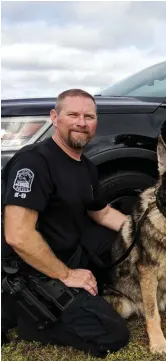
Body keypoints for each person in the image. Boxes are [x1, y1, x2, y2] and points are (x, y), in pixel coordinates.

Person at [1, 89, 130, 358]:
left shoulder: (86, 167)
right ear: (54, 118)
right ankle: (27, 320)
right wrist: (67, 275)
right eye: (73, 114)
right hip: (31, 268)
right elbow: (18, 235)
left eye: (89, 116)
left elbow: (102, 214)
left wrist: (143, 228)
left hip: (68, 250)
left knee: (116, 239)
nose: (81, 122)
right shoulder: (34, 163)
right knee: (113, 333)